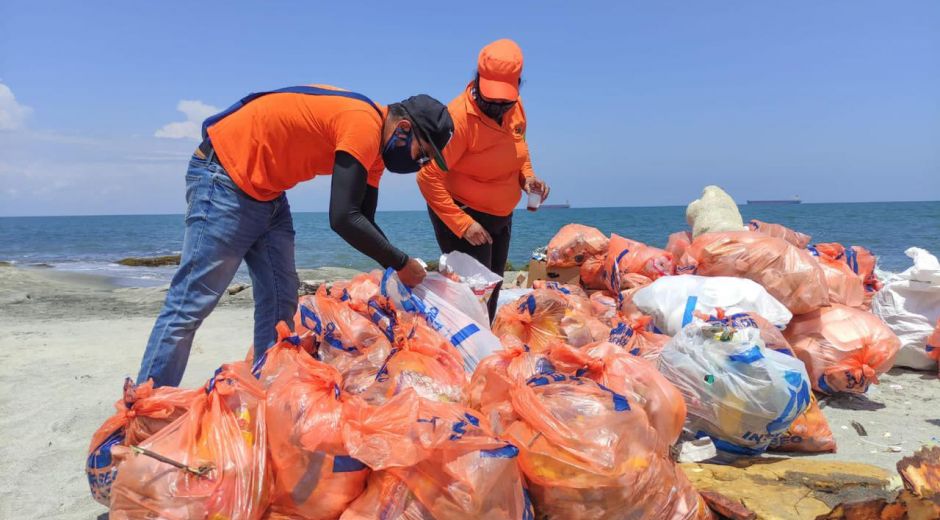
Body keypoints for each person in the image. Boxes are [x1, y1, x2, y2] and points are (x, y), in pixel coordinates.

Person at [137, 85, 454, 387]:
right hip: (226, 175)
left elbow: (364, 220)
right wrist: (400, 262)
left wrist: (399, 268)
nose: (419, 164)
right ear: (403, 129)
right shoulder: (362, 124)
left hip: (268, 191)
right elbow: (343, 218)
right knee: (192, 301)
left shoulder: (375, 153)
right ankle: (143, 412)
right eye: (422, 153)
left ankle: (267, 392)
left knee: (280, 297)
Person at [417, 39, 549, 320]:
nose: (497, 108)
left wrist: (527, 179)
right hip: (463, 212)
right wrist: (463, 225)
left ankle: (484, 347)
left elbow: (519, 149)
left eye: (504, 102)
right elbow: (428, 177)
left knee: (494, 285)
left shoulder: (515, 107)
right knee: (473, 294)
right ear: (477, 80)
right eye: (491, 101)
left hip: (501, 215)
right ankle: (468, 352)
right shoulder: (458, 119)